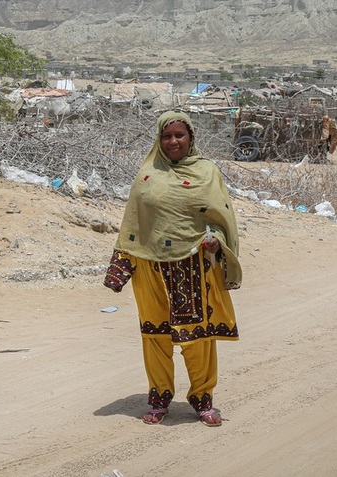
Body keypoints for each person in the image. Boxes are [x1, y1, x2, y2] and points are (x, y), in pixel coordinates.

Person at [104, 110, 242, 427]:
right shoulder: (148, 173)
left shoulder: (207, 172)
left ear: (191, 137)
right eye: (167, 136)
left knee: (198, 336)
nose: (173, 141)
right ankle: (159, 397)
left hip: (194, 263)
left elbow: (221, 218)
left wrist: (216, 243)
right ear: (159, 139)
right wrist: (122, 264)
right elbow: (133, 223)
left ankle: (202, 399)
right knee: (154, 332)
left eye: (179, 135)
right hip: (148, 265)